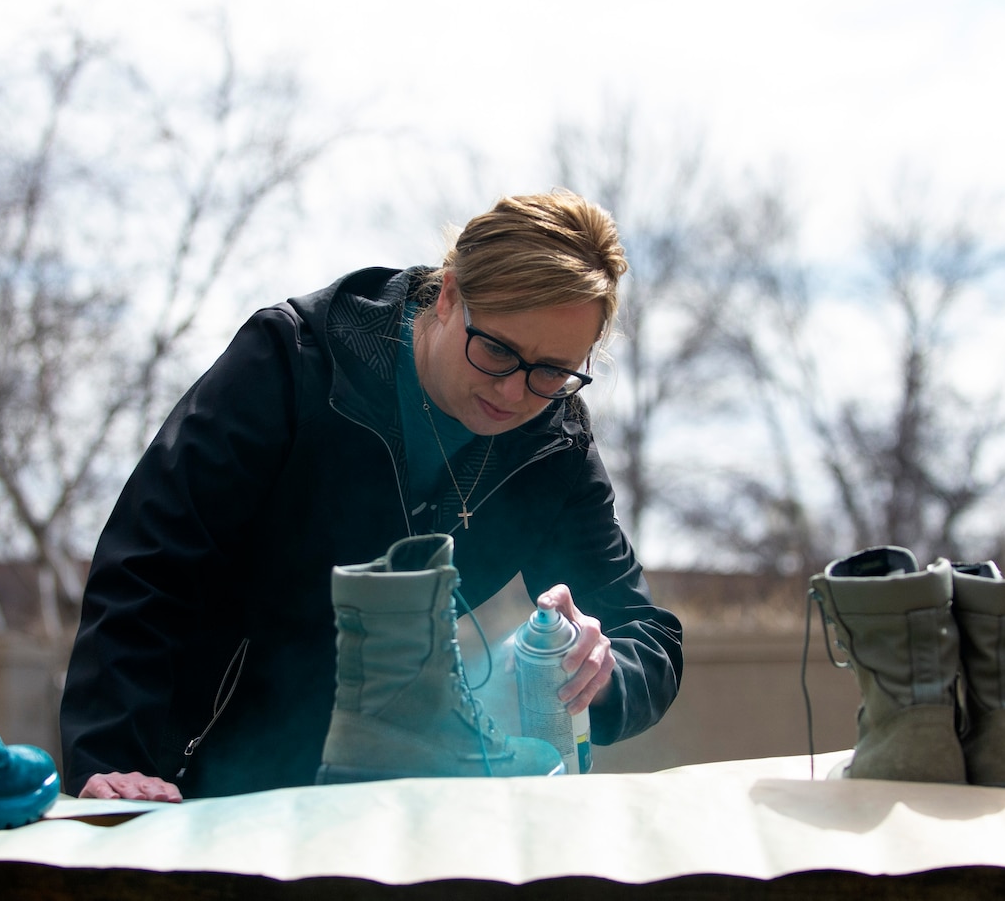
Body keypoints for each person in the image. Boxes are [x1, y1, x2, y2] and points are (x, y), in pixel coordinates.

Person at [61, 190, 685, 801]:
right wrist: (115, 758)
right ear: (446, 295)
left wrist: (603, 672)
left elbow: (647, 637)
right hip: (200, 774)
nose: (516, 393)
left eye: (552, 371)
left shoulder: (556, 448)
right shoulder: (296, 362)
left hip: (395, 801)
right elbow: (151, 561)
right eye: (497, 350)